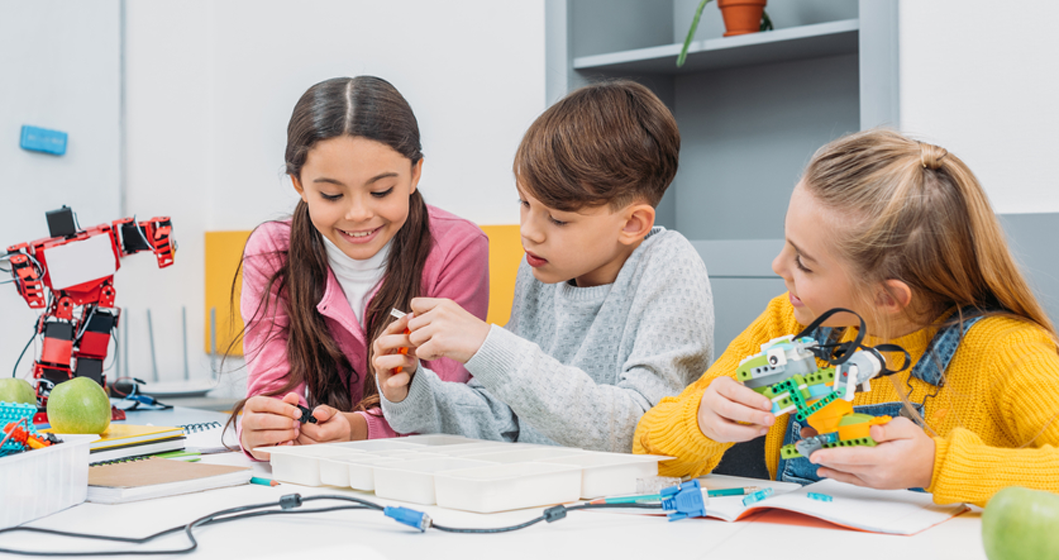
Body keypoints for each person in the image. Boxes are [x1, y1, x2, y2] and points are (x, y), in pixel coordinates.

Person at [634, 129, 1059, 506]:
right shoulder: (789, 324)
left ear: (887, 297)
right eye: (787, 245)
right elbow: (648, 446)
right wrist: (702, 422)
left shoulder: (1009, 352)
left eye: (804, 261)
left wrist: (935, 465)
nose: (778, 265)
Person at [373, 80, 713, 453]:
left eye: (559, 219)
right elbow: (506, 419)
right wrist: (412, 391)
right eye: (524, 203)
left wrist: (489, 347)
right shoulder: (543, 268)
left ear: (632, 224)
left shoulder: (669, 267)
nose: (529, 232)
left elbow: (644, 429)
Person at [234, 76, 489, 460]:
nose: (358, 214)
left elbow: (442, 403)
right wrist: (263, 429)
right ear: (299, 185)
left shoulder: (458, 248)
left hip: (421, 470)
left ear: (415, 173)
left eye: (381, 191)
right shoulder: (272, 250)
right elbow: (272, 392)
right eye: (331, 195)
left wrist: (360, 429)